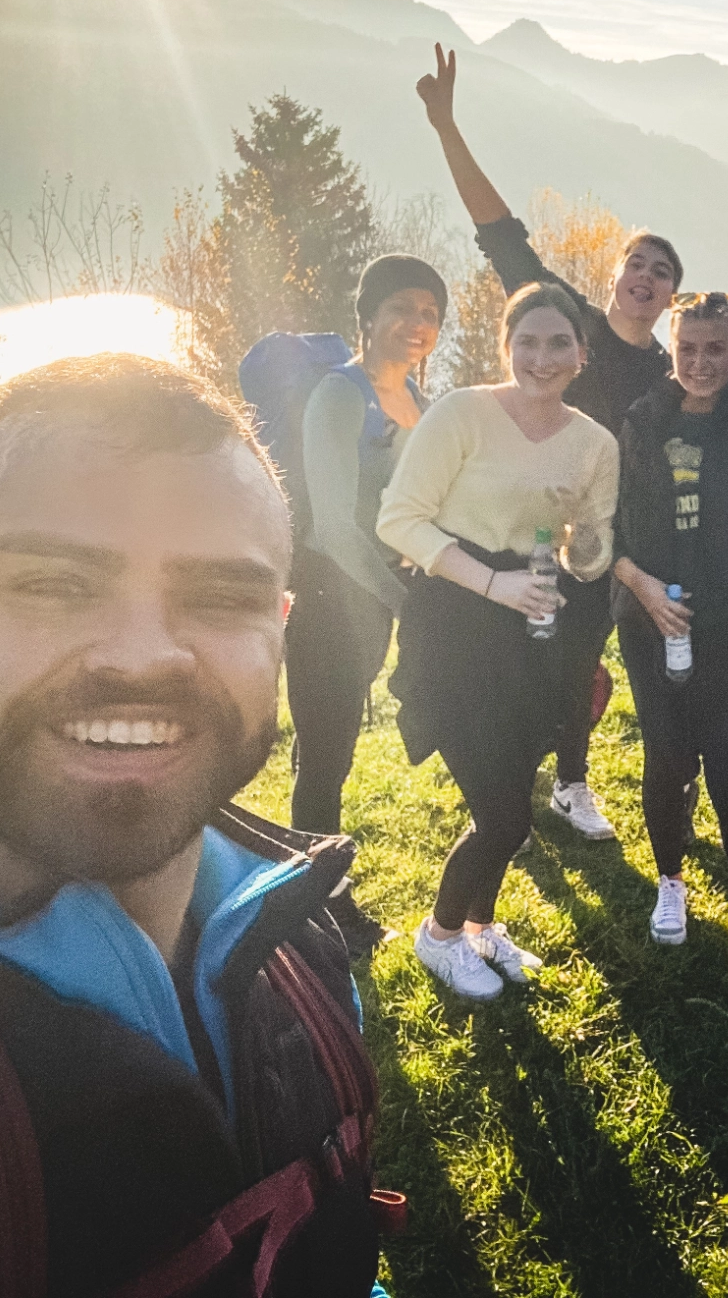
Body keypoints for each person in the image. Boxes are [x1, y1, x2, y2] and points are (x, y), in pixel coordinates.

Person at [0, 356, 389, 1294]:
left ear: (281, 622)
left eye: (222, 596)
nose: (143, 655)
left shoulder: (301, 936)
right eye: (55, 584)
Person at [419, 44, 677, 843]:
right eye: (637, 259)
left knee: (571, 667)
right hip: (516, 527)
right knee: (515, 661)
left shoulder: (669, 375)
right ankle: (505, 798)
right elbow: (499, 234)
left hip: (592, 546)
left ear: (671, 296)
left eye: (662, 269)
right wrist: (445, 126)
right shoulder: (566, 317)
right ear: (615, 276)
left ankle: (569, 783)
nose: (646, 273)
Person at [377, 284, 619, 1001]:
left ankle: (481, 925)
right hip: (454, 622)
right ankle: (439, 934)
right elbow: (400, 520)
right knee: (504, 811)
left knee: (514, 789)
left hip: (535, 626)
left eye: (558, 343)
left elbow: (588, 553)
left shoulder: (595, 442)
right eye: (528, 341)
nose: (541, 358)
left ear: (581, 353)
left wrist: (590, 542)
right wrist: (491, 583)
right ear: (505, 346)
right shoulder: (462, 413)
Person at [614, 291, 728, 961]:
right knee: (666, 757)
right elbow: (609, 524)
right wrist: (642, 588)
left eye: (715, 347)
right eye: (687, 348)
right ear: (671, 347)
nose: (700, 361)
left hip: (723, 619)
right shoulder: (641, 419)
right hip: (648, 618)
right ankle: (672, 881)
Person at [285, 254, 443, 953]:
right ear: (369, 317)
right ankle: (317, 911)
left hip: (374, 599)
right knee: (323, 755)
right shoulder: (340, 396)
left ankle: (312, 895)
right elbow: (331, 527)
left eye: (431, 313)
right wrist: (406, 600)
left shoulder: (419, 402)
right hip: (327, 598)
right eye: (403, 308)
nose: (417, 323)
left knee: (338, 750)